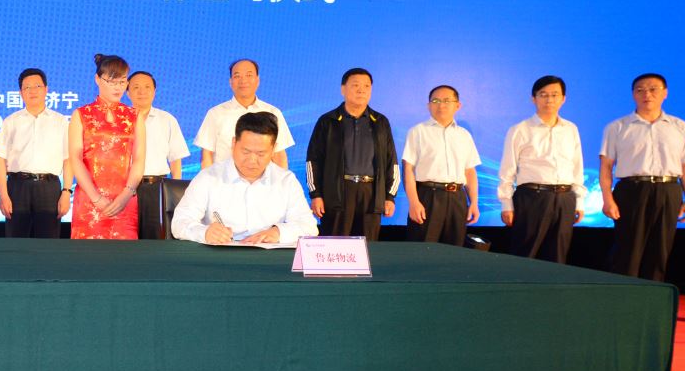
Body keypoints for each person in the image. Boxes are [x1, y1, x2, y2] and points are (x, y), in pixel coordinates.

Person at [598, 73, 685, 282]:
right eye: (640, 90)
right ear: (633, 95)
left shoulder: (679, 126)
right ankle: (624, 296)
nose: (647, 94)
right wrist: (607, 199)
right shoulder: (617, 127)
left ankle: (652, 297)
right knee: (628, 249)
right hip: (632, 190)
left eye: (653, 89)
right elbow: (606, 166)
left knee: (660, 250)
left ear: (665, 93)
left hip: (669, 190)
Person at [171, 111, 318, 245]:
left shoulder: (286, 181)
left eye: (261, 154)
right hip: (221, 257)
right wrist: (205, 233)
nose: (252, 160)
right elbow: (179, 223)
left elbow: (309, 226)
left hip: (268, 258)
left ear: (273, 149)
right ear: (233, 143)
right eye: (246, 152)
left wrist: (278, 232)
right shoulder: (208, 178)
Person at [498, 75, 585, 264]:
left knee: (557, 255)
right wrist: (506, 204)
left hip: (565, 198)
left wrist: (579, 201)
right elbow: (507, 170)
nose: (549, 100)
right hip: (532, 198)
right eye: (543, 94)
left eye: (554, 95)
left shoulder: (570, 129)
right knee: (525, 255)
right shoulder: (520, 129)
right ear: (534, 98)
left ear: (563, 98)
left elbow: (577, 166)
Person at [305, 68, 399, 240]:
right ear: (343, 89)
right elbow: (313, 160)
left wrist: (389, 197)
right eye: (355, 85)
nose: (361, 90)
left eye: (366, 86)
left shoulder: (380, 122)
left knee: (367, 247)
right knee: (335, 246)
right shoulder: (328, 121)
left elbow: (391, 161)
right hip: (337, 194)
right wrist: (316, 195)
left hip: (370, 195)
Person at [69, 54, 149, 240]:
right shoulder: (81, 114)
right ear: (97, 79)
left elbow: (139, 159)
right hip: (89, 200)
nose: (118, 87)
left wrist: (127, 194)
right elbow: (75, 158)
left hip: (125, 199)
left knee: (124, 255)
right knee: (87, 254)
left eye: (122, 82)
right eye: (112, 81)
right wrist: (96, 198)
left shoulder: (134, 116)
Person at [0, 67, 72, 238]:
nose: (32, 91)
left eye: (37, 86)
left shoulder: (61, 121)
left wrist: (66, 192)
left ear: (46, 89)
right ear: (20, 93)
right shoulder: (11, 121)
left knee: (48, 242)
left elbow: (68, 160)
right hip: (17, 187)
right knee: (16, 242)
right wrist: (3, 196)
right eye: (27, 87)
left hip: (49, 188)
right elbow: (0, 161)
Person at [402, 84, 481, 246]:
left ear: (457, 105)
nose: (441, 105)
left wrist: (473, 202)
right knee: (423, 248)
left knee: (454, 250)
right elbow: (408, 169)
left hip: (457, 198)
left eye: (446, 101)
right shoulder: (418, 131)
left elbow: (469, 171)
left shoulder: (464, 135)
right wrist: (414, 202)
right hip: (428, 197)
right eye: (436, 101)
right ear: (428, 105)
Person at [194, 58, 294, 169]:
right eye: (237, 76)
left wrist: (282, 179)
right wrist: (208, 179)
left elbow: (279, 156)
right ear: (230, 82)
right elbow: (207, 155)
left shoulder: (273, 113)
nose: (243, 80)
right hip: (224, 178)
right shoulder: (215, 114)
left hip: (263, 179)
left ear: (257, 80)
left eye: (249, 75)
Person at [127, 70, 189, 239]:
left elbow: (175, 158)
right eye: (136, 87)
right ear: (127, 92)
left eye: (147, 87)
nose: (142, 91)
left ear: (154, 91)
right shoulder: (121, 120)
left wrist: (175, 192)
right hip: (125, 188)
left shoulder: (167, 119)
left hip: (157, 188)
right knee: (127, 237)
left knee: (155, 237)